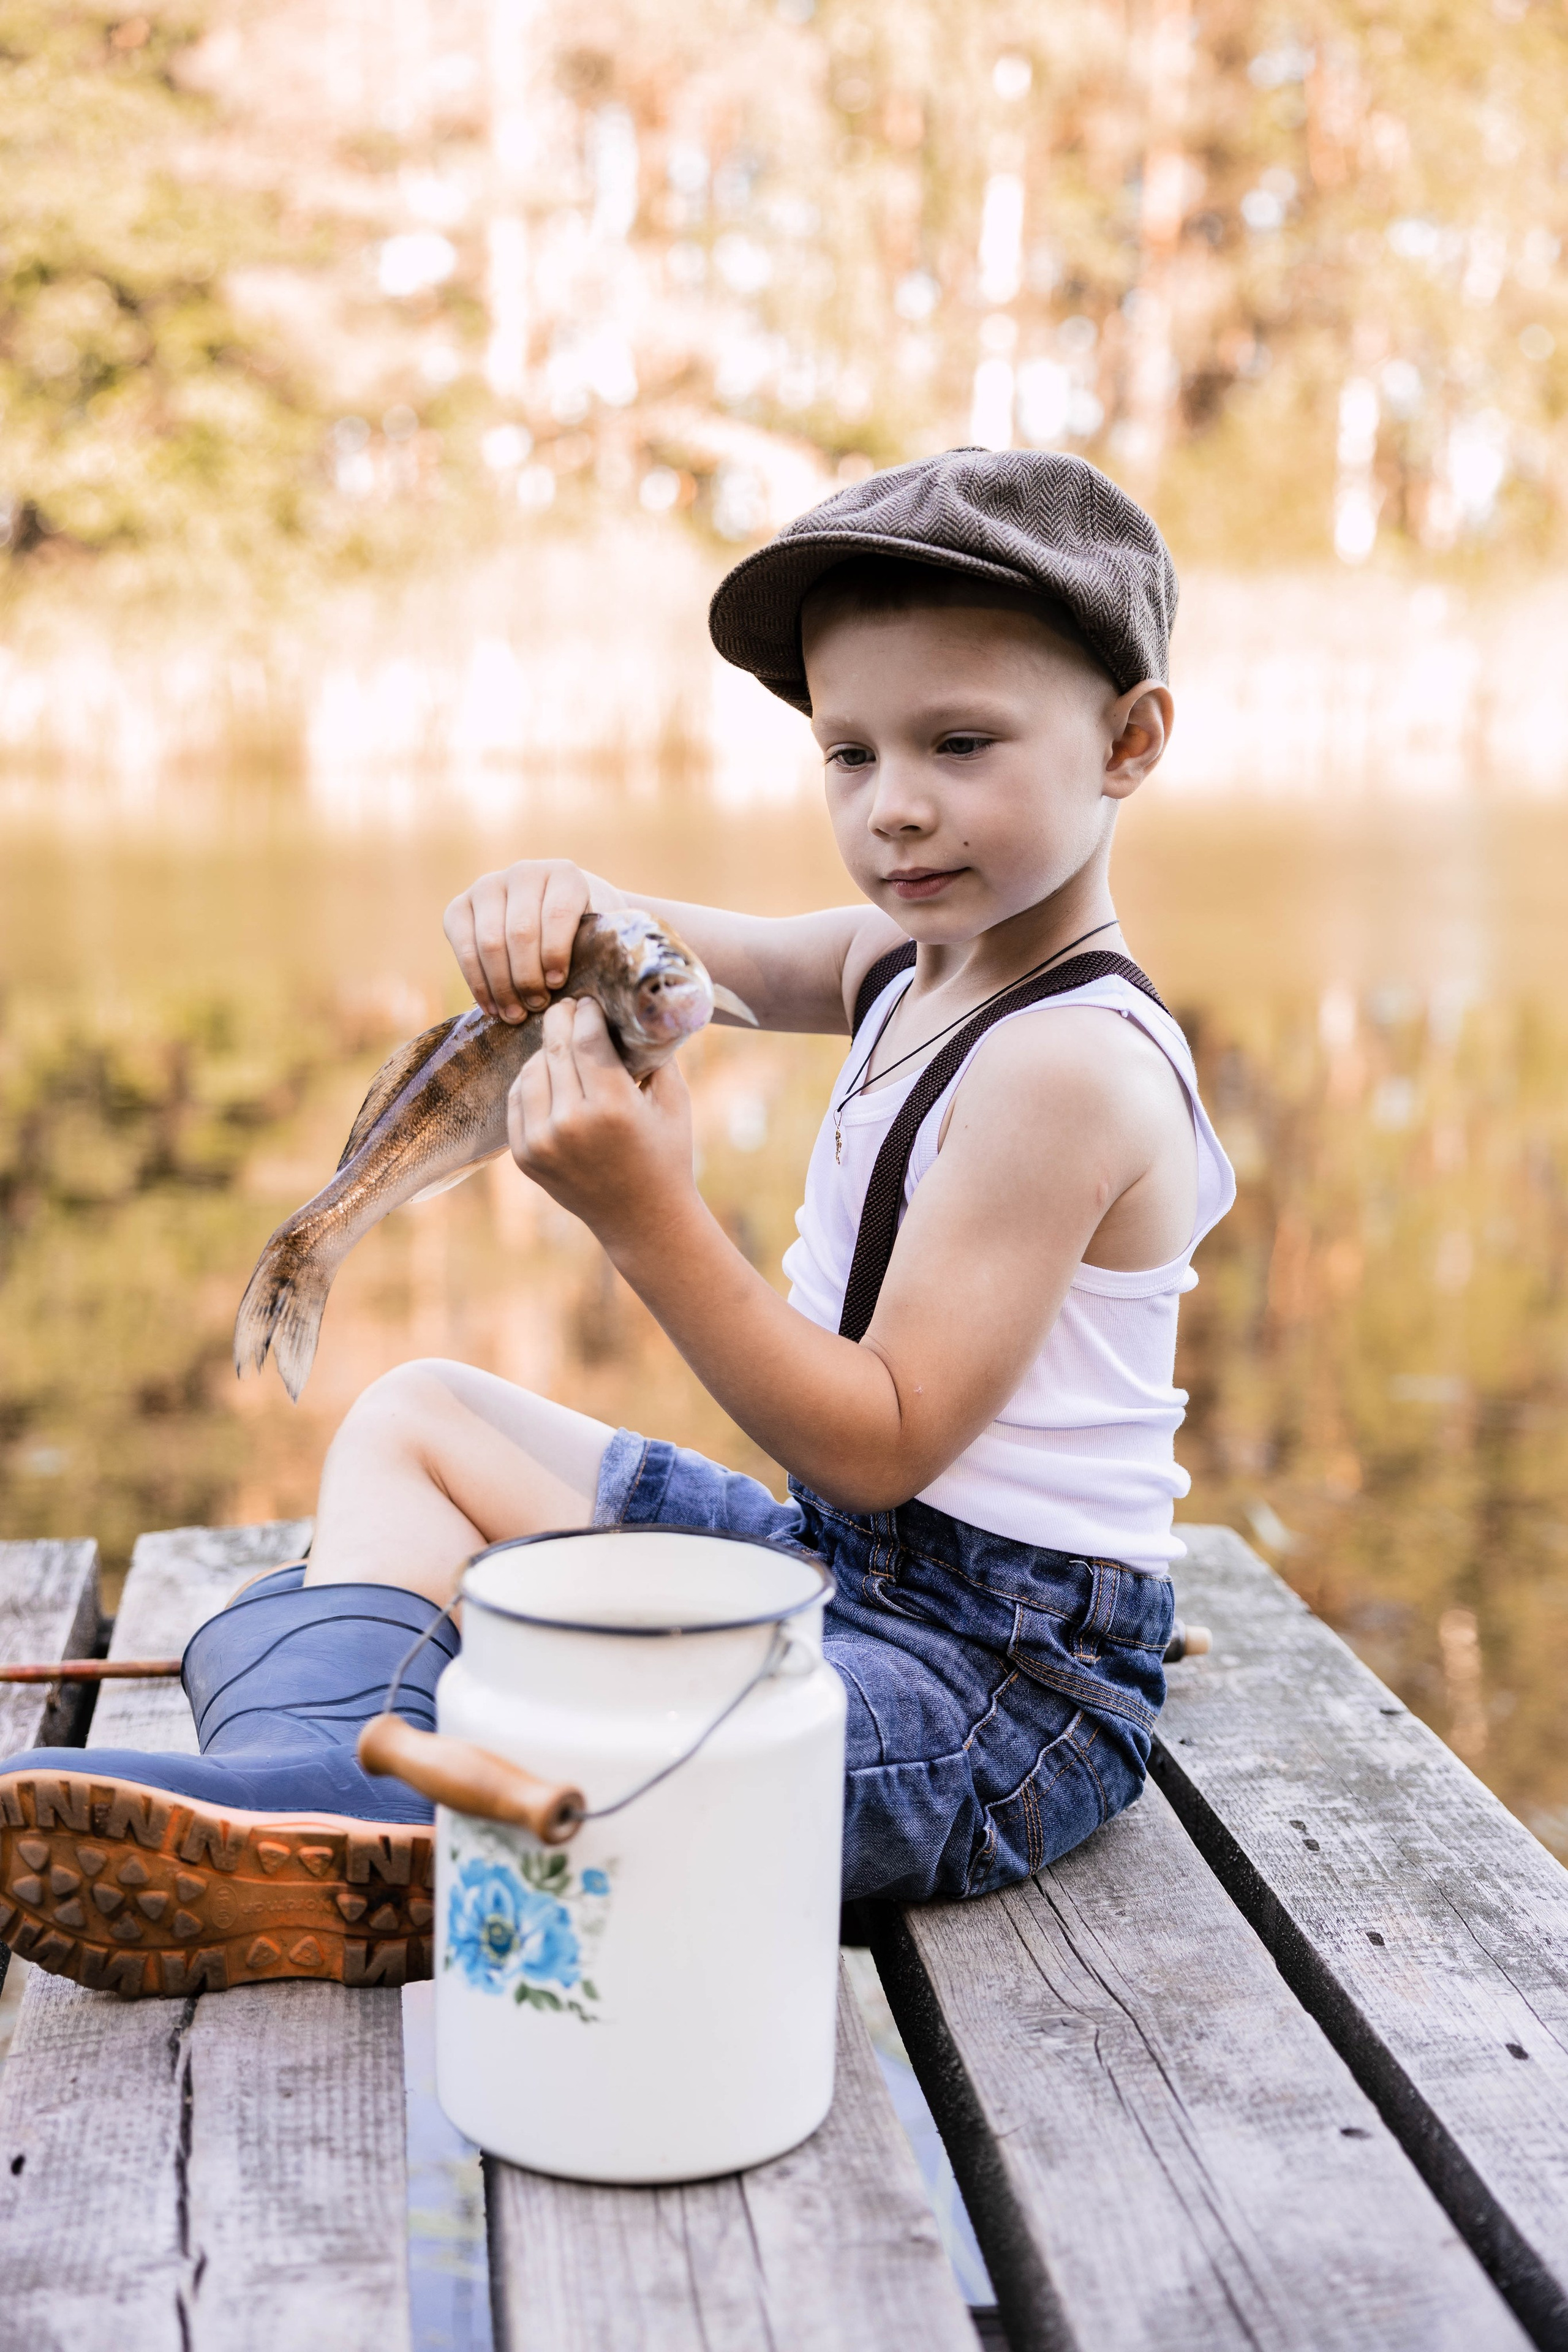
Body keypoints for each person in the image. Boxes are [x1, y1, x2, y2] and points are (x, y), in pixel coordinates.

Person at [0, 450, 1234, 1999]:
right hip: (832, 1569)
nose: (896, 811)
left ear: (1128, 742)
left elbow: (880, 1442)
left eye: (959, 743)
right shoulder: (908, 956)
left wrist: (644, 1217)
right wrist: (561, 901)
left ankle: (362, 1791)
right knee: (415, 1417)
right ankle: (327, 1795)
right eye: (846, 755)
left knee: (638, 1748)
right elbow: (677, 947)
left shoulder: (1066, 1062)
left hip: (1000, 1691)